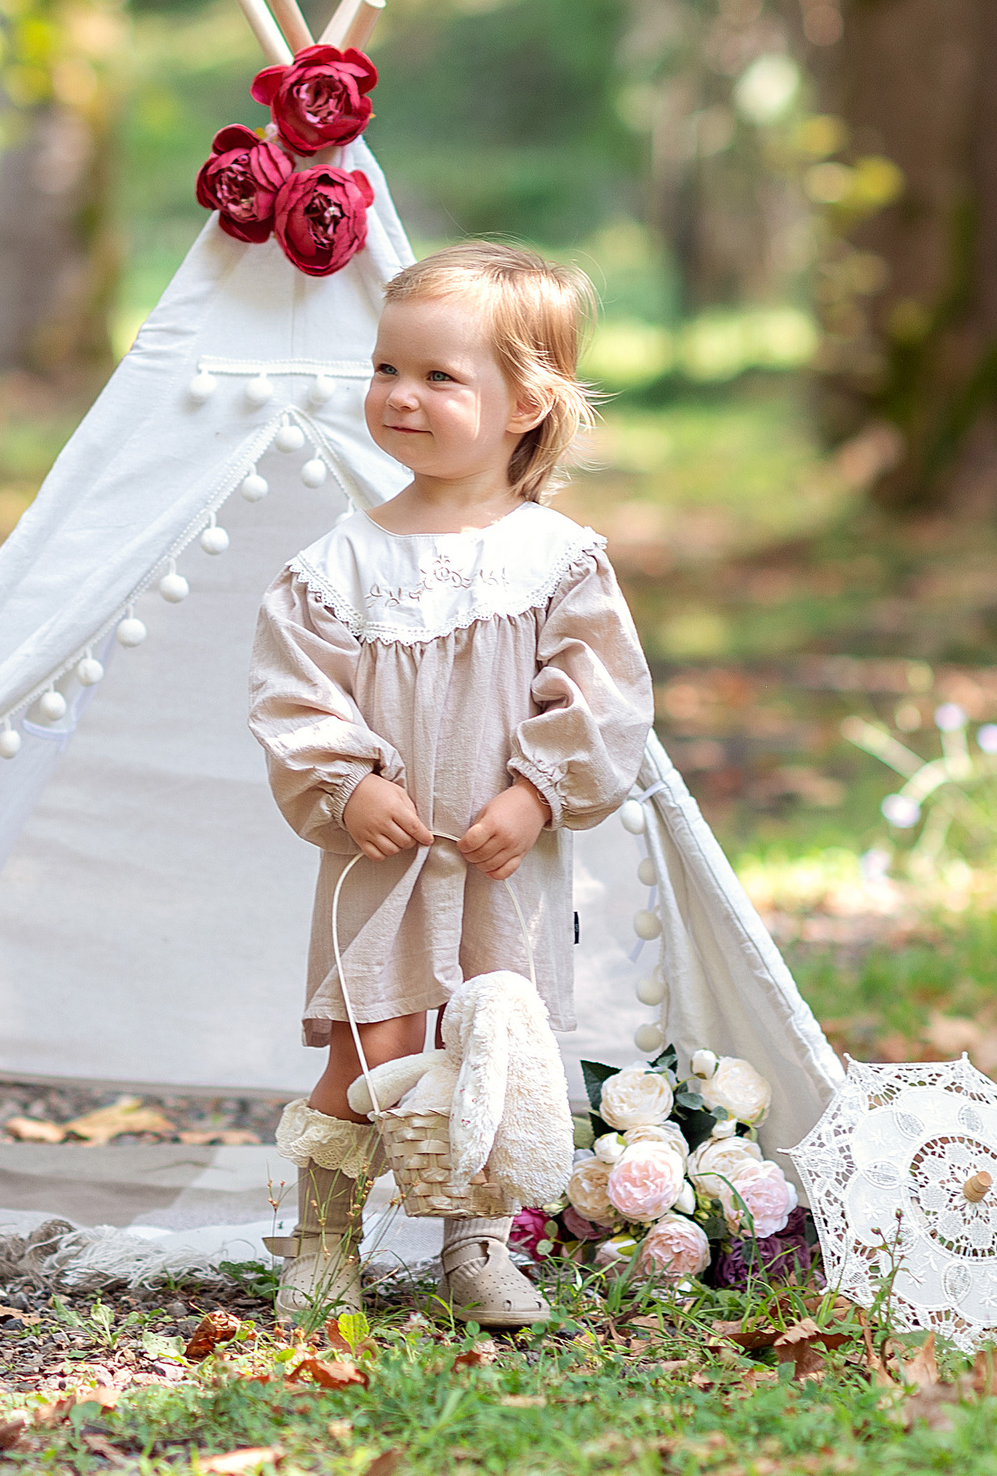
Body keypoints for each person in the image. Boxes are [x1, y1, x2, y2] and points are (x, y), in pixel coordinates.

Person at [248, 241, 655, 1328]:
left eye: (437, 377)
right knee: (368, 1055)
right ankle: (321, 1241)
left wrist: (533, 793)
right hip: (388, 859)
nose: (399, 397)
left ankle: (473, 1247)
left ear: (524, 403)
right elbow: (295, 697)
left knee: (495, 1056)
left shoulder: (556, 560)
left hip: (498, 860)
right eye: (386, 370)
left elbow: (602, 697)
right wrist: (345, 785)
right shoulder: (339, 565)